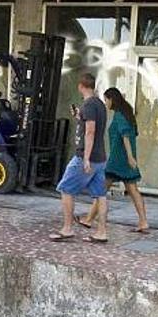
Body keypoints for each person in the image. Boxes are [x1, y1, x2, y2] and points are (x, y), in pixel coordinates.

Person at [77, 87, 149, 233]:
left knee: (101, 189)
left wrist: (129, 157)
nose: (106, 103)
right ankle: (143, 222)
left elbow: (125, 136)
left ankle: (89, 219)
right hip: (124, 159)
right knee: (133, 190)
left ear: (111, 99)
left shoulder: (119, 116)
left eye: (106, 100)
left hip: (118, 160)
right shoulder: (126, 113)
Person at [49, 73, 109, 243]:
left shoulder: (89, 105)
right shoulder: (99, 105)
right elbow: (89, 125)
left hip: (85, 156)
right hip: (101, 158)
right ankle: (102, 232)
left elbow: (90, 131)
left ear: (81, 86)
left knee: (66, 189)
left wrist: (86, 159)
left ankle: (67, 229)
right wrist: (78, 116)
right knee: (100, 195)